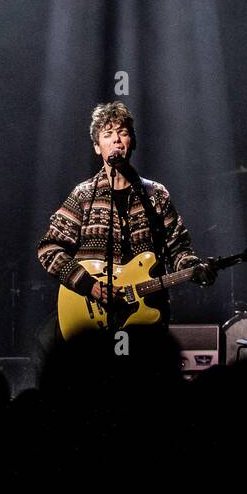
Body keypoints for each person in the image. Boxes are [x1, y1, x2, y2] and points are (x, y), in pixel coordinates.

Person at [37, 102, 216, 327]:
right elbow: (49, 249)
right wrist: (88, 284)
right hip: (92, 320)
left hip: (149, 316)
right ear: (96, 146)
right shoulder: (83, 195)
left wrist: (195, 269)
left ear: (133, 142)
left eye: (123, 133)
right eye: (108, 134)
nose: (116, 140)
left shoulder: (156, 195)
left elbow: (179, 249)